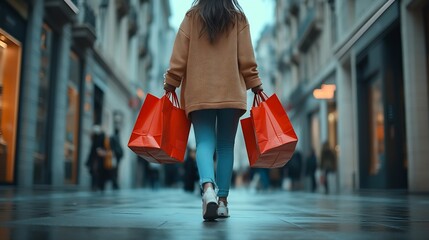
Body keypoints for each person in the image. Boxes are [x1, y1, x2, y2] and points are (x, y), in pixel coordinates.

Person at [163, 0, 263, 220]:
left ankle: (208, 188)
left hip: (199, 92)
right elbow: (247, 59)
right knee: (226, 147)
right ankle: (223, 202)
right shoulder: (238, 19)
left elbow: (179, 55)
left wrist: (171, 81)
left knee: (204, 143)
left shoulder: (191, 17)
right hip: (231, 92)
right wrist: (255, 85)